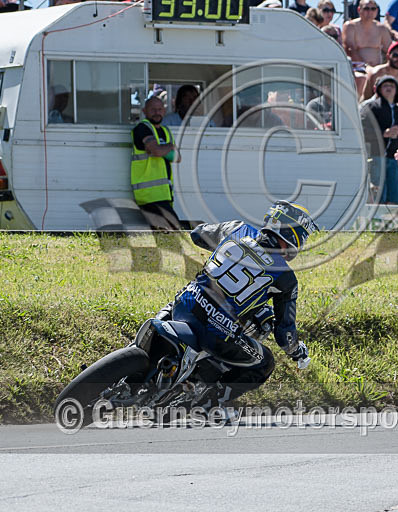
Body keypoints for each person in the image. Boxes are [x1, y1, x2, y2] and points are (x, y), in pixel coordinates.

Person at [167, 201, 317, 412]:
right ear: (291, 234)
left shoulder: (237, 229)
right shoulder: (286, 278)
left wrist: (225, 248)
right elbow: (285, 333)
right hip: (216, 333)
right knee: (265, 363)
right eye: (303, 236)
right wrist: (296, 352)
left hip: (184, 304)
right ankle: (208, 405)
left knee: (180, 300)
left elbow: (197, 234)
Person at [131, 96, 183, 230]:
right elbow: (157, 151)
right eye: (153, 109)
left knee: (163, 233)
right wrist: (169, 147)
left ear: (164, 111)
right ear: (144, 111)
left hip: (164, 194)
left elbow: (177, 158)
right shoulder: (142, 128)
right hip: (148, 195)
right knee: (174, 229)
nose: (157, 112)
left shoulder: (165, 131)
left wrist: (162, 149)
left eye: (159, 109)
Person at [360, 75, 398, 204]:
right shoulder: (371, 107)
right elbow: (362, 130)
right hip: (374, 158)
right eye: (385, 85)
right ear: (379, 89)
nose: (389, 88)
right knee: (379, 196)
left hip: (391, 159)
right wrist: (383, 133)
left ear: (397, 90)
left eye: (392, 86)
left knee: (396, 197)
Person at [343, 0, 391, 91]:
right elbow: (350, 49)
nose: (370, 12)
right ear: (359, 10)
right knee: (362, 79)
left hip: (377, 68)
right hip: (356, 69)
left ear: (377, 11)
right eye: (366, 8)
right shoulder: (350, 26)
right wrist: (366, 67)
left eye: (373, 9)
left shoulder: (381, 28)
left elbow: (390, 50)